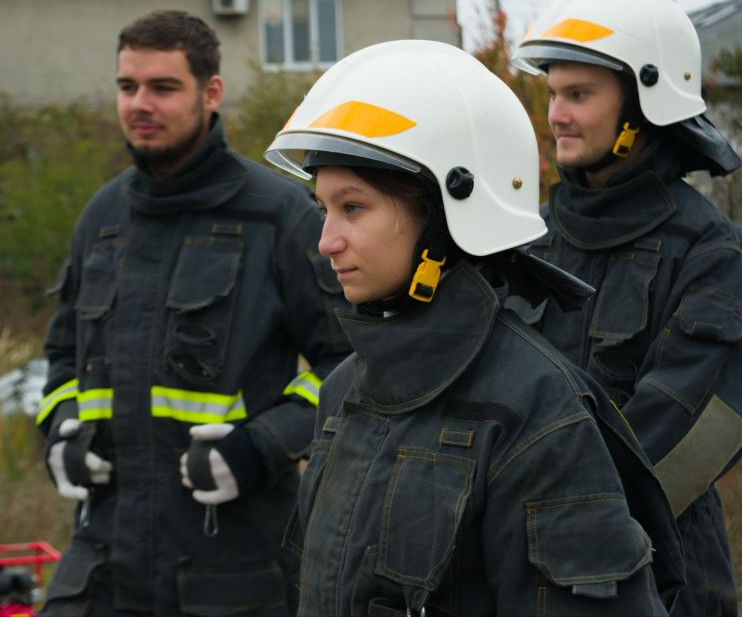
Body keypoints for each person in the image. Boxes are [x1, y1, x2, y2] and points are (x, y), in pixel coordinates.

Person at [264, 39, 684, 616]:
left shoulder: (537, 408)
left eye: (353, 208)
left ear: (443, 215)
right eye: (323, 209)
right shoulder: (343, 390)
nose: (326, 240)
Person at [35, 10, 350, 615]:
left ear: (211, 93)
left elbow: (353, 364)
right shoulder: (101, 219)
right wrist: (60, 432)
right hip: (102, 566)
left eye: (163, 87)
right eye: (127, 87)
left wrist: (265, 445)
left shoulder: (281, 216)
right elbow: (60, 358)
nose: (139, 104)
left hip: (232, 568)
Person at [513, 0, 742, 615]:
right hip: (523, 573)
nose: (555, 114)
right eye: (553, 93)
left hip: (663, 582)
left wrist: (533, 509)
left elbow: (687, 446)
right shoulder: (531, 244)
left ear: (644, 104)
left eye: (578, 94)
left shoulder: (715, 257)